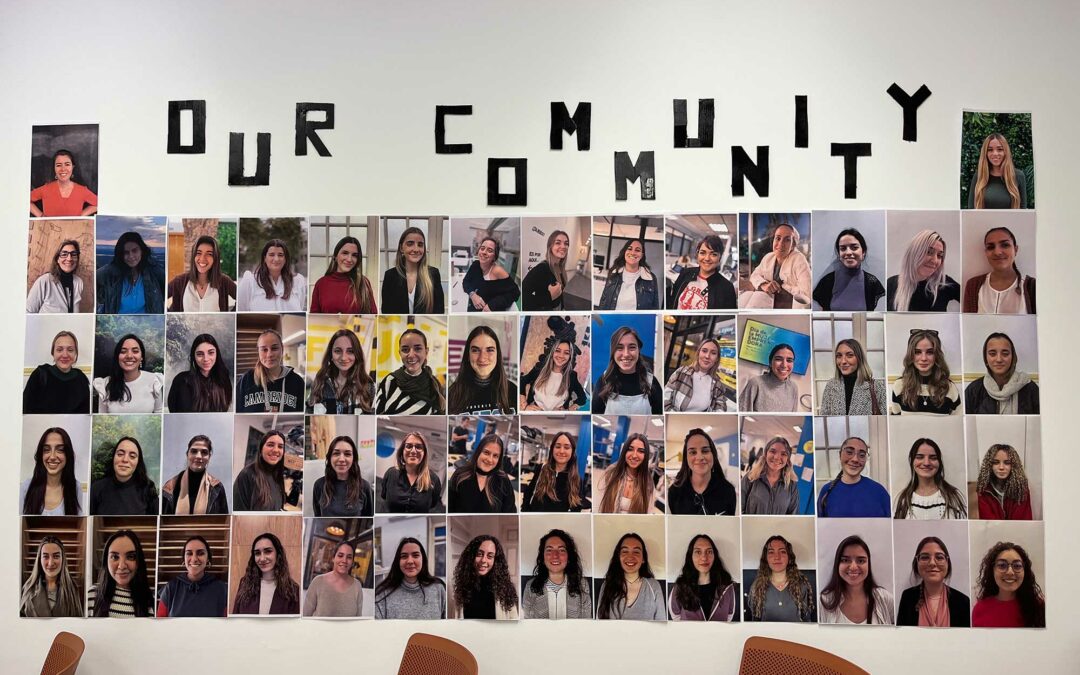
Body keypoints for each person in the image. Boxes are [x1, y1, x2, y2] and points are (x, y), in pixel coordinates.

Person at [896, 536, 971, 627]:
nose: (932, 563)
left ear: (947, 562)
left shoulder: (962, 601)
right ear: (917, 563)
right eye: (925, 557)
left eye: (939, 557)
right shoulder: (907, 597)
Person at [819, 535, 895, 624]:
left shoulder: (884, 599)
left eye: (860, 561)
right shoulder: (824, 601)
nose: (853, 567)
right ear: (837, 564)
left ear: (868, 564)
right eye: (845, 560)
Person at [962, 227, 1036, 314]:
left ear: (1015, 250)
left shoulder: (1033, 287)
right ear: (986, 252)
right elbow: (968, 321)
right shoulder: (973, 285)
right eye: (990, 247)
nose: (997, 252)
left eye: (1005, 245)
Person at [522, 529, 593, 619]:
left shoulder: (582, 585)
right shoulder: (530, 586)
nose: (555, 555)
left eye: (561, 550)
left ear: (569, 557)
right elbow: (527, 622)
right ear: (543, 557)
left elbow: (586, 622)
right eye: (549, 550)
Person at [889, 329, 962, 415]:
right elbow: (895, 421)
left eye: (930, 352)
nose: (924, 358)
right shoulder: (899, 386)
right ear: (910, 355)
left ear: (937, 355)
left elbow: (958, 421)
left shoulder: (950, 388)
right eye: (917, 352)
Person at [972, 542, 1045, 627]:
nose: (1010, 572)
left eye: (1017, 566)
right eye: (1002, 565)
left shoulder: (1039, 607)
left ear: (1025, 571)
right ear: (992, 570)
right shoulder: (980, 609)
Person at [964, 332, 1040, 415]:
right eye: (992, 354)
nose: (999, 359)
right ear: (985, 358)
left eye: (1005, 354)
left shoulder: (1030, 389)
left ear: (1013, 357)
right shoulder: (973, 391)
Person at [447, 325, 517, 414]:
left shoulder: (513, 391)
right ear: (468, 355)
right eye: (475, 350)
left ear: (497, 355)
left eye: (490, 350)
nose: (482, 358)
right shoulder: (452, 394)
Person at [596, 533, 666, 621]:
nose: (630, 556)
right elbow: (598, 623)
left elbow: (662, 623)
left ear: (643, 559)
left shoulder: (654, 586)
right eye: (625, 551)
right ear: (618, 557)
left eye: (636, 552)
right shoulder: (607, 585)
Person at [592, 326, 662, 414]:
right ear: (613, 351)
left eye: (632, 347)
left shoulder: (652, 382)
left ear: (638, 350)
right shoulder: (603, 381)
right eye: (619, 348)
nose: (626, 354)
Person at [745, 535, 815, 622]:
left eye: (782, 551)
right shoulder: (757, 587)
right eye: (771, 552)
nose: (777, 557)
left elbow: (807, 620)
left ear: (789, 557)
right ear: (766, 558)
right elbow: (755, 622)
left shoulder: (802, 585)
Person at [668, 534, 738, 621]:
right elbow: (675, 615)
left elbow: (729, 615)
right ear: (691, 556)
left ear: (714, 556)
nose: (704, 558)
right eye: (698, 552)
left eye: (709, 552)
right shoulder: (680, 586)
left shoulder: (728, 586)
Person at [812, 228, 886, 311]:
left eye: (854, 247)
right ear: (839, 254)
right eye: (843, 248)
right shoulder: (826, 282)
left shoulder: (872, 283)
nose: (848, 252)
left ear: (863, 252)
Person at [375, 329, 446, 415]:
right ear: (400, 353)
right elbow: (377, 415)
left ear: (426, 352)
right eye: (405, 350)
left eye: (418, 349)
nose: (411, 355)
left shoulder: (434, 383)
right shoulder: (389, 381)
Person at [893, 438, 967, 519]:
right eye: (920, 457)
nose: (926, 463)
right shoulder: (902, 500)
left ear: (939, 462)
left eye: (933, 458)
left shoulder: (954, 497)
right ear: (912, 461)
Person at [887, 230, 960, 312]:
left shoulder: (944, 283)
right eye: (929, 252)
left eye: (940, 255)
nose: (935, 260)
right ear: (914, 253)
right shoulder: (890, 284)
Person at [816, 436, 891, 518]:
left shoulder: (879, 492)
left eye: (861, 455)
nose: (855, 459)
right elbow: (820, 524)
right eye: (849, 452)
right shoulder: (826, 491)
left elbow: (890, 524)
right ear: (840, 454)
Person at [667, 429, 736, 515]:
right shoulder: (674, 492)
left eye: (705, 451)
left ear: (713, 455)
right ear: (686, 458)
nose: (699, 457)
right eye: (693, 452)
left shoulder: (728, 491)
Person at [374, 537, 447, 620]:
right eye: (404, 556)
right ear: (398, 561)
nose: (410, 561)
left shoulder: (438, 589)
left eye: (415, 555)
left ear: (423, 559)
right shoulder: (382, 593)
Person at [156, 536, 228, 617]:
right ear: (184, 558)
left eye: (200, 553)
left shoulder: (221, 589)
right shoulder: (170, 588)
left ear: (208, 558)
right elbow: (160, 623)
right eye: (189, 553)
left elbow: (228, 623)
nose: (194, 559)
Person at [236, 329, 305, 413]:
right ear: (258, 351)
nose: (269, 354)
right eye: (264, 350)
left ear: (282, 349)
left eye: (274, 348)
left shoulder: (297, 382)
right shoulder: (246, 380)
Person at [307, 329, 374, 414]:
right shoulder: (320, 380)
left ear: (357, 354)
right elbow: (309, 410)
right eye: (338, 351)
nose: (343, 358)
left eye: (350, 351)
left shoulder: (367, 384)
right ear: (331, 354)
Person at [452, 535, 520, 619]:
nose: (483, 560)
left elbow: (514, 618)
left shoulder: (505, 589)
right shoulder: (461, 589)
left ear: (495, 560)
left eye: (490, 556)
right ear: (471, 557)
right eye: (479, 554)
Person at [88, 529, 153, 617]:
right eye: (115, 557)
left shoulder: (151, 600)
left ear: (139, 561)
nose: (122, 566)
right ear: (106, 561)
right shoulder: (92, 594)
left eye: (130, 557)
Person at [96, 231, 165, 314]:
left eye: (134, 251)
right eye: (126, 252)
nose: (131, 256)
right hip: (116, 321)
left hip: (148, 322)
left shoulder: (154, 271)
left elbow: (165, 292)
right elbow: (92, 282)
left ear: (142, 251)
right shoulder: (110, 272)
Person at [745, 224, 812, 309]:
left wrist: (782, 286)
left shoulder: (799, 260)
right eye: (778, 238)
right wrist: (764, 284)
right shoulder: (768, 257)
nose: (781, 244)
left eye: (787, 240)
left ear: (793, 245)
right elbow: (754, 275)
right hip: (766, 303)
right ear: (773, 240)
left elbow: (806, 294)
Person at [232, 533, 301, 615]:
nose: (262, 558)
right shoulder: (245, 583)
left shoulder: (293, 589)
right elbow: (236, 617)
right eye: (257, 553)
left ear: (278, 554)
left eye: (268, 551)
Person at [93, 334, 163, 413]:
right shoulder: (104, 385)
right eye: (123, 352)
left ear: (141, 357)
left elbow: (159, 412)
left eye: (135, 351)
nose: (129, 356)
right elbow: (101, 417)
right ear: (117, 357)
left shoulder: (154, 381)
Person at [22, 330, 90, 414]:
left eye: (70, 350)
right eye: (59, 350)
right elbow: (25, 409)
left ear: (75, 353)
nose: (65, 355)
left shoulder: (81, 379)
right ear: (53, 353)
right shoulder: (39, 375)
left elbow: (85, 412)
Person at [381, 226, 445, 314]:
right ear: (401, 248)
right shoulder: (390, 275)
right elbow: (386, 311)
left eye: (420, 245)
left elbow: (439, 310)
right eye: (410, 244)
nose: (416, 249)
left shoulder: (433, 274)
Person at [20, 428, 83, 516]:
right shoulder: (26, 487)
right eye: (46, 450)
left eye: (60, 450)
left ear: (68, 455)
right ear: (41, 455)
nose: (52, 456)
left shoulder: (76, 488)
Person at [160, 435, 229, 515]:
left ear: (209, 457)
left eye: (204, 452)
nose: (198, 456)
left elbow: (224, 520)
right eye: (194, 451)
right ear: (187, 454)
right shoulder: (170, 487)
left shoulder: (217, 488)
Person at [89, 437, 159, 515]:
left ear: (138, 462)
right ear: (113, 457)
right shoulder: (97, 488)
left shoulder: (147, 489)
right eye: (120, 454)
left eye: (132, 456)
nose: (125, 460)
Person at [448, 434, 516, 513]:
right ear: (478, 452)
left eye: (495, 456)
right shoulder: (461, 475)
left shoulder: (503, 481)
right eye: (486, 453)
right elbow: (450, 509)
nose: (490, 460)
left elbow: (510, 513)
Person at [166, 235, 237, 312]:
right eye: (198, 253)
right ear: (194, 256)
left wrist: (230, 317)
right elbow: (160, 296)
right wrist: (170, 317)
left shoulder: (224, 281)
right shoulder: (179, 281)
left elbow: (242, 298)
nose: (202, 259)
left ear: (215, 258)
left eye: (209, 254)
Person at [593, 433, 660, 514]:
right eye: (630, 449)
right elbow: (597, 507)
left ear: (646, 455)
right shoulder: (610, 475)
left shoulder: (648, 483)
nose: (634, 455)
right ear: (624, 452)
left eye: (640, 451)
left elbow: (648, 513)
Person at [818, 339, 888, 416]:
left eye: (849, 355)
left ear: (859, 358)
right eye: (839, 356)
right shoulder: (831, 386)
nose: (843, 361)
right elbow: (824, 416)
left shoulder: (877, 386)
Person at [379, 432, 445, 513]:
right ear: (402, 451)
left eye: (419, 447)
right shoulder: (391, 474)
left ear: (424, 453)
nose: (413, 451)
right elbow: (384, 497)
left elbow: (432, 505)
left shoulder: (434, 480)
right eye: (408, 446)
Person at [668, 234, 738, 310]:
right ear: (697, 254)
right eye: (702, 253)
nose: (707, 258)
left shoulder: (727, 288)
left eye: (713, 254)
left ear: (720, 257)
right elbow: (672, 301)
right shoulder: (685, 273)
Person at [310, 236, 378, 314]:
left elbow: (374, 316)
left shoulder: (364, 283)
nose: (349, 259)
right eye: (345, 253)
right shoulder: (321, 283)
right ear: (335, 256)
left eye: (354, 255)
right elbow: (313, 317)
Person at [167, 333, 233, 413]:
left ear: (217, 354)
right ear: (194, 356)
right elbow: (173, 412)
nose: (206, 359)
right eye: (200, 354)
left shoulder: (223, 379)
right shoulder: (181, 380)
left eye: (211, 353)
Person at [234, 431, 298, 512]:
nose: (276, 450)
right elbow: (238, 512)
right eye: (270, 445)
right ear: (261, 449)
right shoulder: (247, 475)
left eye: (280, 446)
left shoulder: (277, 475)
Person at [237, 239, 308, 311]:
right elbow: (240, 309)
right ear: (265, 258)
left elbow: (299, 309)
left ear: (285, 259)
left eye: (280, 255)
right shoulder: (250, 281)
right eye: (271, 255)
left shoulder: (298, 281)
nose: (276, 259)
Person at [20, 536, 83, 617]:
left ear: (63, 559)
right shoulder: (28, 589)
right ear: (39, 559)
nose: (50, 563)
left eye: (56, 556)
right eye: (46, 556)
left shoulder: (73, 589)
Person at [521, 432, 585, 512]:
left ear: (572, 451)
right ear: (552, 449)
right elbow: (528, 493)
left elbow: (577, 508)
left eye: (566, 447)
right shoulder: (541, 469)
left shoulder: (577, 480)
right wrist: (525, 512)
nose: (561, 451)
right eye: (558, 446)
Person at [311, 435, 373, 517]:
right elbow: (317, 518)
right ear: (330, 457)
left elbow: (368, 521)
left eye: (347, 454)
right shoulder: (319, 485)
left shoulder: (364, 487)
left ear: (353, 459)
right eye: (336, 453)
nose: (341, 459)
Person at [519, 338, 587, 411]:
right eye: (558, 351)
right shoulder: (539, 369)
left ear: (570, 357)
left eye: (566, 353)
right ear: (552, 352)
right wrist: (524, 405)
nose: (561, 355)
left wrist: (569, 410)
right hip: (534, 414)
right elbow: (521, 381)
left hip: (556, 417)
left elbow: (582, 398)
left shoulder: (571, 376)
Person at [664, 338, 728, 412]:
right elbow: (665, 399)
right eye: (704, 351)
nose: (707, 356)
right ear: (698, 353)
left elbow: (721, 408)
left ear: (717, 358)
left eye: (713, 353)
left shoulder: (718, 385)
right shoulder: (681, 372)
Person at [304, 541, 365, 617]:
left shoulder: (357, 586)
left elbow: (358, 618)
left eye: (349, 557)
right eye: (340, 555)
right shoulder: (318, 582)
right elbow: (306, 615)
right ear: (333, 558)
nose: (344, 560)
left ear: (352, 562)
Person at [741, 437, 800, 515]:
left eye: (783, 454)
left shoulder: (791, 485)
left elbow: (793, 516)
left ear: (788, 459)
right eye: (773, 451)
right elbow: (740, 510)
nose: (777, 457)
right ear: (765, 454)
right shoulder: (750, 478)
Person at [29, 149, 97, 216]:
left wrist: (81, 216)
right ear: (54, 168)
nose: (63, 169)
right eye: (58, 165)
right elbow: (25, 200)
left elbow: (99, 204)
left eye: (67, 164)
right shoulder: (45, 189)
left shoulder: (82, 191)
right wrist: (40, 216)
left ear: (73, 167)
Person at [968, 133, 1028, 209]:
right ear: (985, 153)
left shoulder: (1018, 176)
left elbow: (1023, 210)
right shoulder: (979, 176)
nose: (995, 153)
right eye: (990, 150)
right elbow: (971, 209)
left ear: (1005, 152)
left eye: (1000, 149)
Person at [597, 238, 660, 310]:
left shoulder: (651, 278)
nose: (633, 253)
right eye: (629, 249)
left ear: (642, 255)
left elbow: (655, 308)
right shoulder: (613, 274)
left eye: (637, 250)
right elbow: (603, 301)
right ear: (624, 252)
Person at [462, 236, 520, 312]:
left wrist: (492, 305)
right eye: (482, 248)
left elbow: (515, 292)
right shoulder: (475, 265)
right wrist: (473, 295)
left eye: (489, 250)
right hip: (473, 308)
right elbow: (466, 281)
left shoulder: (498, 271)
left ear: (494, 256)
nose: (484, 252)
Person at [975, 444, 1033, 520]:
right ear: (989, 465)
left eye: (1007, 462)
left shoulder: (1021, 488)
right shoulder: (984, 489)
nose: (1001, 467)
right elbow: (987, 522)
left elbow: (1021, 522)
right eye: (996, 462)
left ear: (1013, 465)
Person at [27, 239, 85, 313]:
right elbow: (28, 312)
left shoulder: (79, 282)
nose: (69, 258)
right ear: (57, 259)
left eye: (73, 254)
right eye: (64, 254)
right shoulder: (44, 281)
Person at [739, 343, 800, 413]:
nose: (784, 365)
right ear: (770, 362)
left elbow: (792, 415)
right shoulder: (755, 383)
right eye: (778, 359)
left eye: (789, 360)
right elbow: (742, 413)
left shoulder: (793, 388)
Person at [521, 230, 570, 311]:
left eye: (566, 243)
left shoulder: (560, 268)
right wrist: (549, 296)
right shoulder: (542, 268)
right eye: (558, 243)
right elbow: (523, 296)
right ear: (550, 246)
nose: (563, 246)